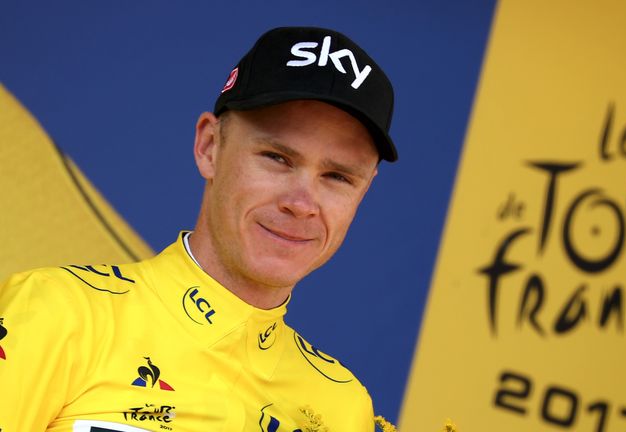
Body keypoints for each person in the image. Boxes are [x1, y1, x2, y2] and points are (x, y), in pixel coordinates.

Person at [0, 26, 397, 431]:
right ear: (209, 146)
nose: (300, 204)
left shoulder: (341, 407)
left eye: (337, 177)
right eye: (277, 157)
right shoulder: (58, 314)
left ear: (364, 191)